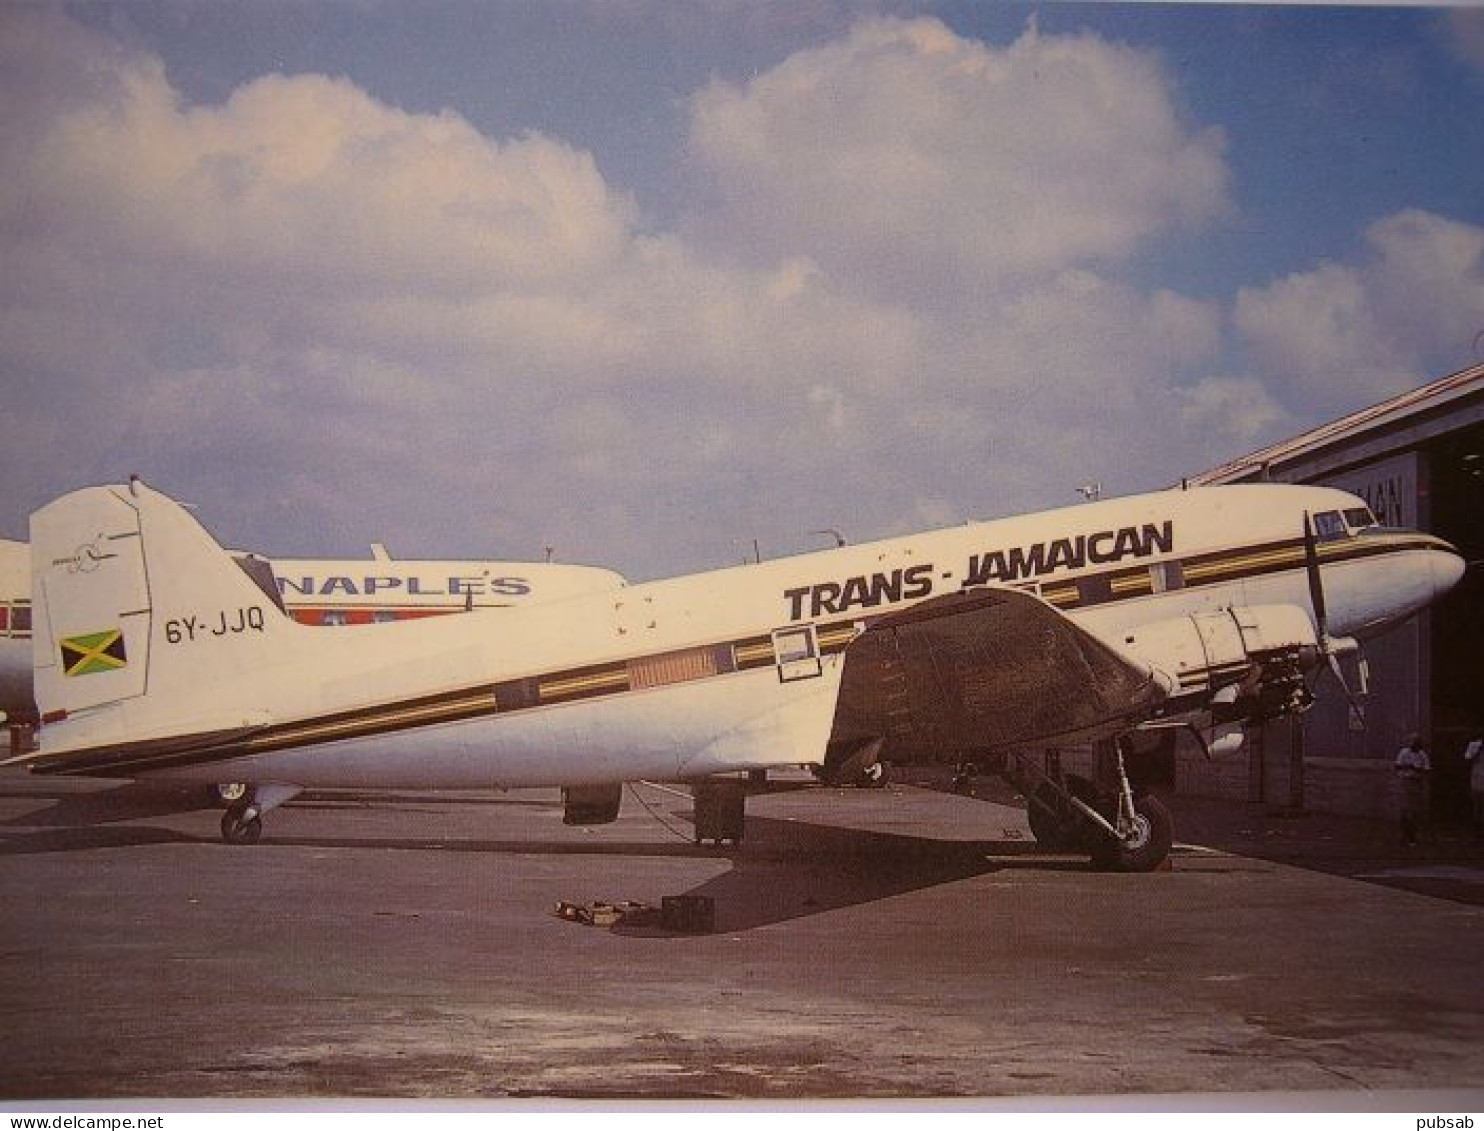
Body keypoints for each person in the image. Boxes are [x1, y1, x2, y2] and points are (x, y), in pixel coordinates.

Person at [1394, 733, 1431, 847]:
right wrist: (1409, 768)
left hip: (1417, 783)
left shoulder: (1422, 755)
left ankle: (1412, 836)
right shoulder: (1404, 752)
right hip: (1405, 782)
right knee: (1405, 810)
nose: (1415, 744)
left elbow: (1426, 770)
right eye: (1413, 742)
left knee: (1415, 812)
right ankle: (1404, 835)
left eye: (1417, 742)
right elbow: (1398, 766)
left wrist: (1417, 771)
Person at [1464, 731, 1484, 841]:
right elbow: (1468, 759)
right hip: (1477, 781)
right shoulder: (1473, 745)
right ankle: (1477, 833)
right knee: (1477, 808)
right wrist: (1479, 750)